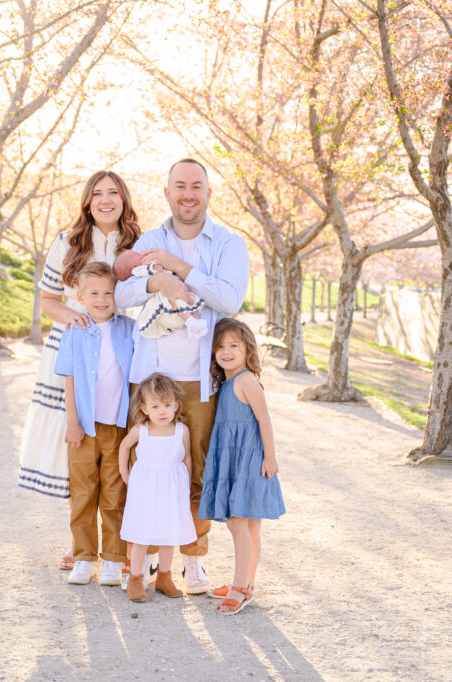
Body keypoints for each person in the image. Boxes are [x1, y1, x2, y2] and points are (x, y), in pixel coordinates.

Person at [115, 158, 249, 594]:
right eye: (179, 186)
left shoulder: (228, 243)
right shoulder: (149, 241)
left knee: (196, 471)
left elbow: (230, 299)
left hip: (200, 378)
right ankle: (148, 559)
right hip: (150, 378)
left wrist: (180, 267)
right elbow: (121, 292)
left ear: (208, 193)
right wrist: (157, 283)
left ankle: (193, 560)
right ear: (167, 193)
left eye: (196, 186)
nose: (188, 194)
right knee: (148, 468)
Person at [16, 171, 141, 571]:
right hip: (73, 344)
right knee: (79, 445)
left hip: (121, 346)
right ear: (87, 201)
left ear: (123, 199)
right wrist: (73, 317)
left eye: (113, 193)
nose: (106, 200)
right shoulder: (67, 241)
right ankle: (80, 544)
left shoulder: (138, 242)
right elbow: (49, 300)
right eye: (97, 193)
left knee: (120, 445)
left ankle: (123, 546)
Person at [54, 262, 135, 586]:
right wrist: (72, 423)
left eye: (108, 293)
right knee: (83, 493)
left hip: (117, 428)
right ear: (80, 297)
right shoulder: (74, 331)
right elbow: (70, 379)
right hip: (84, 428)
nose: (102, 299)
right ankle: (83, 558)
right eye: (94, 293)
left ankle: (113, 560)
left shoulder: (129, 329)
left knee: (115, 495)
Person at [198, 317, 285, 615]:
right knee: (250, 526)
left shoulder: (246, 380)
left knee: (238, 524)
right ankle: (246, 584)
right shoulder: (226, 384)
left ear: (248, 349)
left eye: (234, 345)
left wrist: (270, 457)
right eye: (220, 347)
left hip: (249, 461)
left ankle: (239, 587)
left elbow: (264, 419)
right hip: (235, 460)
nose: (226, 351)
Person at [118, 373, 197, 602]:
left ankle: (164, 577)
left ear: (176, 405)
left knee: (168, 535)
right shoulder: (141, 430)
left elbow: (187, 457)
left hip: (172, 489)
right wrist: (125, 472)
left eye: (167, 405)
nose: (162, 411)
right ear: (144, 408)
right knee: (141, 535)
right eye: (155, 406)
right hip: (145, 489)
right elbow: (124, 447)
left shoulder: (181, 430)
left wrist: (186, 484)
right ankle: (135, 578)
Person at [113, 249, 207, 340]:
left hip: (176, 286)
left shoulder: (141, 263)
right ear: (134, 266)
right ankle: (190, 322)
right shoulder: (138, 270)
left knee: (190, 300)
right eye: (137, 254)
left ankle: (196, 322)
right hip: (166, 294)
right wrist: (156, 266)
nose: (142, 254)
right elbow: (156, 269)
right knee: (179, 302)